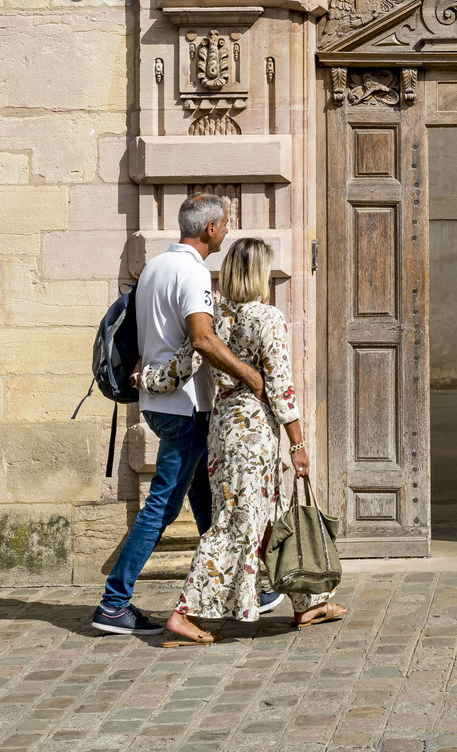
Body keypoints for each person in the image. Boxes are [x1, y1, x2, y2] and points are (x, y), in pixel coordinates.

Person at [144, 234, 346, 641]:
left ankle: (310, 602)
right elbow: (281, 387)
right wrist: (299, 443)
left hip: (223, 427)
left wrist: (144, 380)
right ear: (259, 274)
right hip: (254, 433)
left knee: (266, 519)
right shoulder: (268, 318)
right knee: (234, 525)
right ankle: (186, 613)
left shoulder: (212, 315)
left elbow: (180, 367)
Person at [91, 194, 268, 637]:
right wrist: (250, 375)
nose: (227, 230)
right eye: (225, 224)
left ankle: (239, 586)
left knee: (206, 501)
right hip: (185, 407)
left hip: (159, 403)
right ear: (209, 228)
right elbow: (203, 340)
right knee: (161, 508)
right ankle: (114, 602)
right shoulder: (191, 272)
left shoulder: (153, 268)